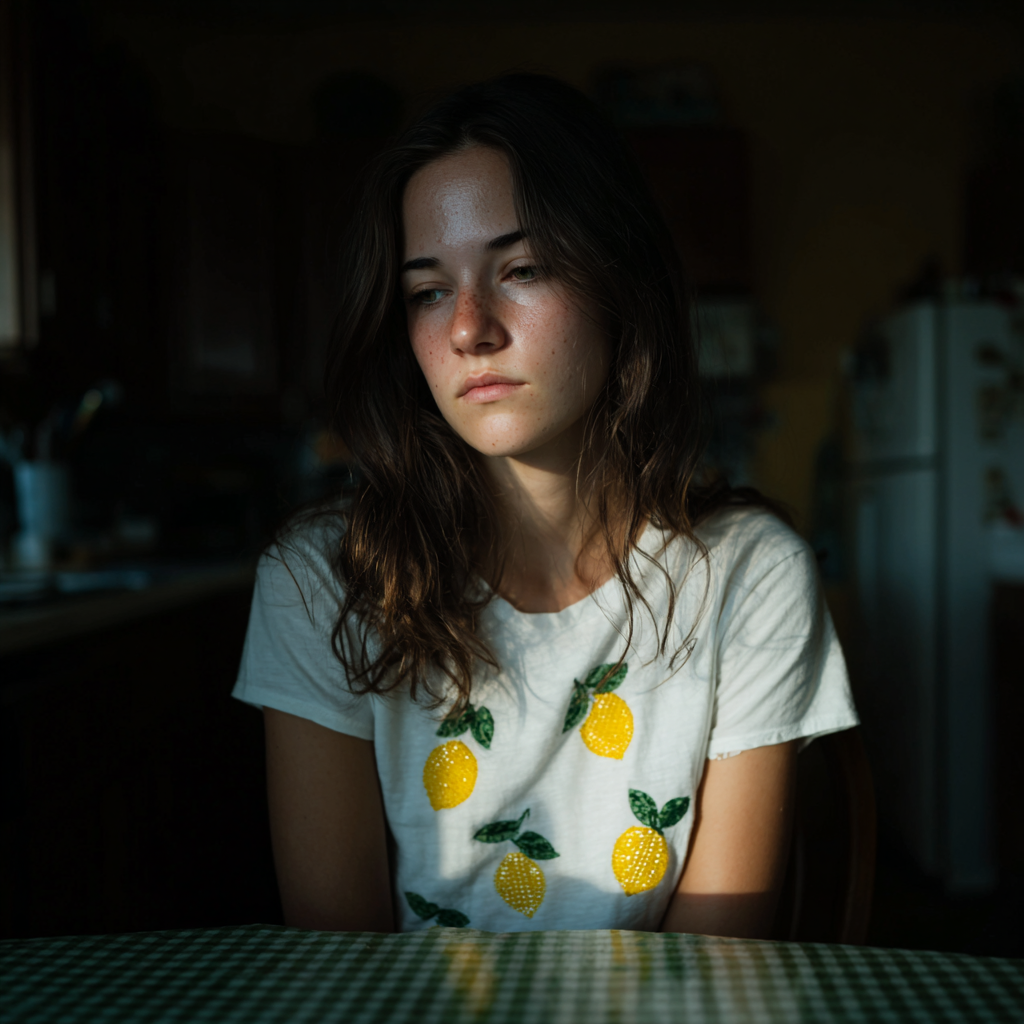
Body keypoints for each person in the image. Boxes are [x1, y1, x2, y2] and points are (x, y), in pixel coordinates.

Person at [233, 73, 858, 938]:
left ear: (620, 283)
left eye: (521, 268)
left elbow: (716, 960)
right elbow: (343, 960)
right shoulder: (321, 583)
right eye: (427, 291)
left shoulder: (749, 576)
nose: (468, 328)